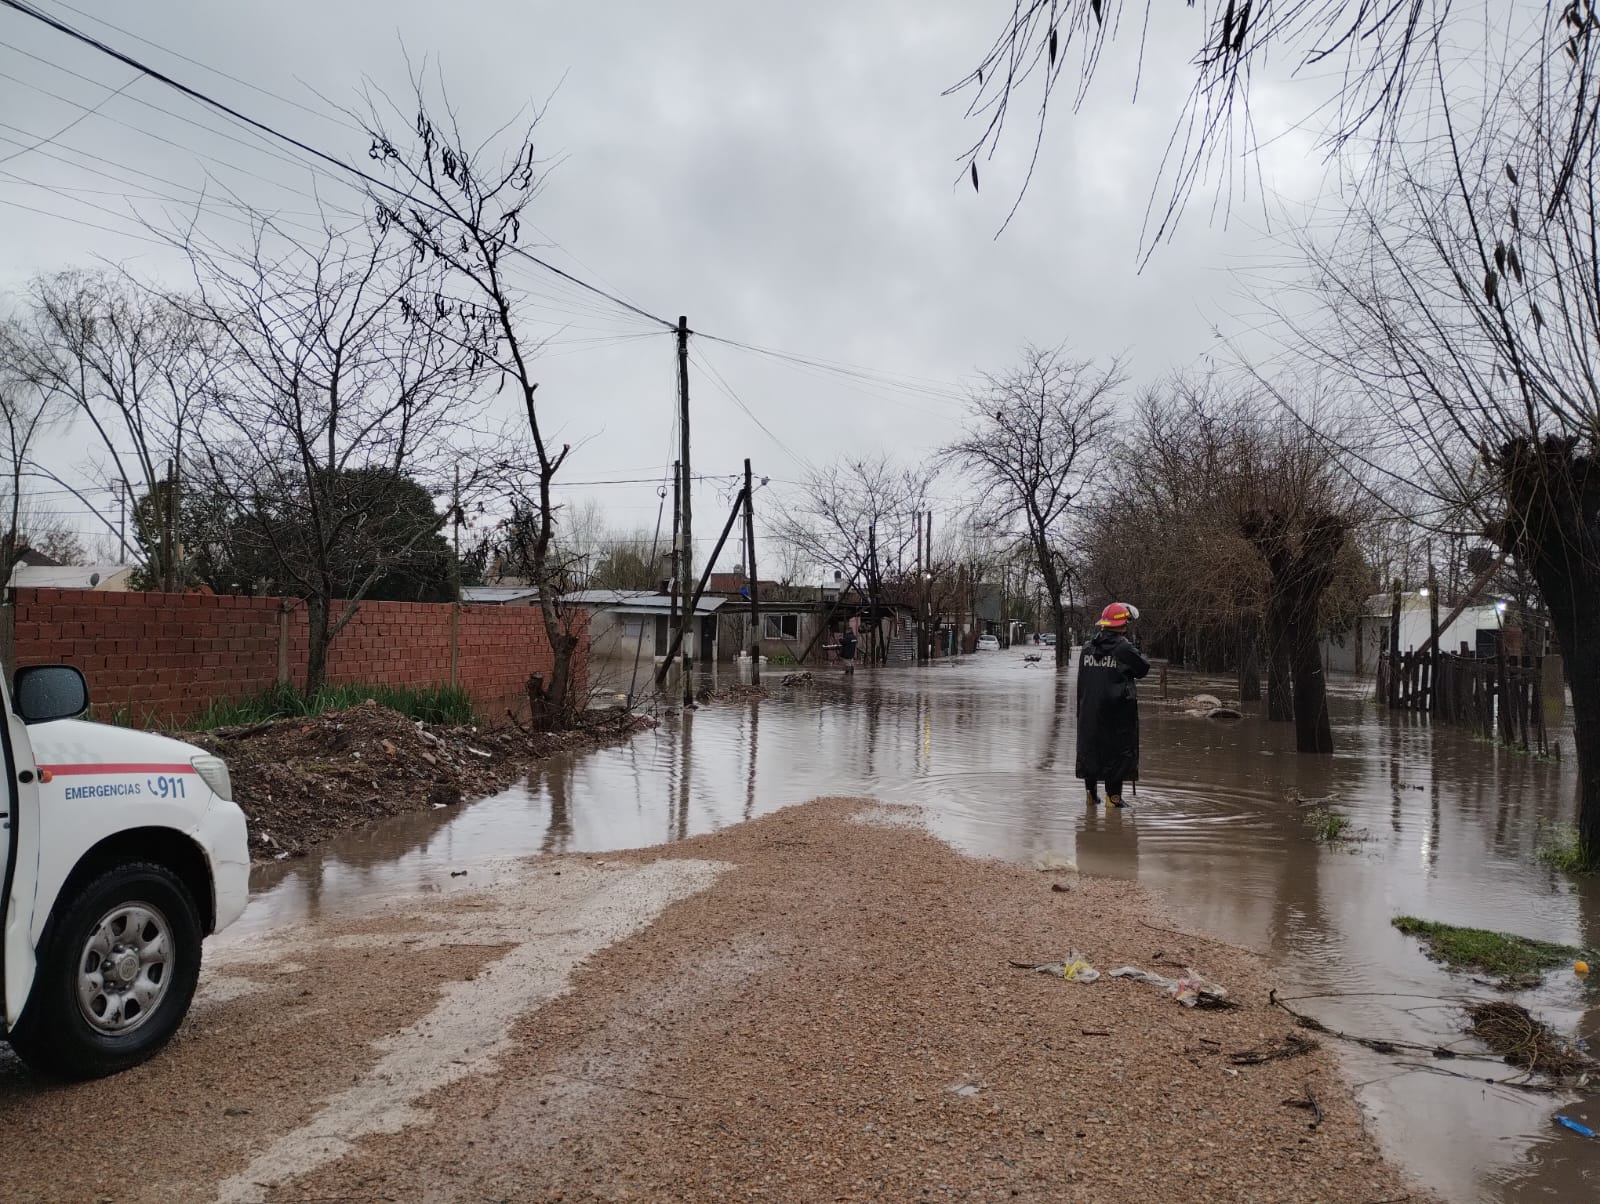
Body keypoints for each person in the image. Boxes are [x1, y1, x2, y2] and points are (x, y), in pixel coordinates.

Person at [1075, 602, 1150, 808]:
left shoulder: (1087, 648)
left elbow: (1082, 682)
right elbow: (1143, 669)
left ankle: (1091, 796)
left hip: (1089, 713)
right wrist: (1135, 647)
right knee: (1117, 755)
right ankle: (1113, 799)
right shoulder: (1123, 648)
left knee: (1091, 753)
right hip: (1117, 715)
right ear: (1123, 625)